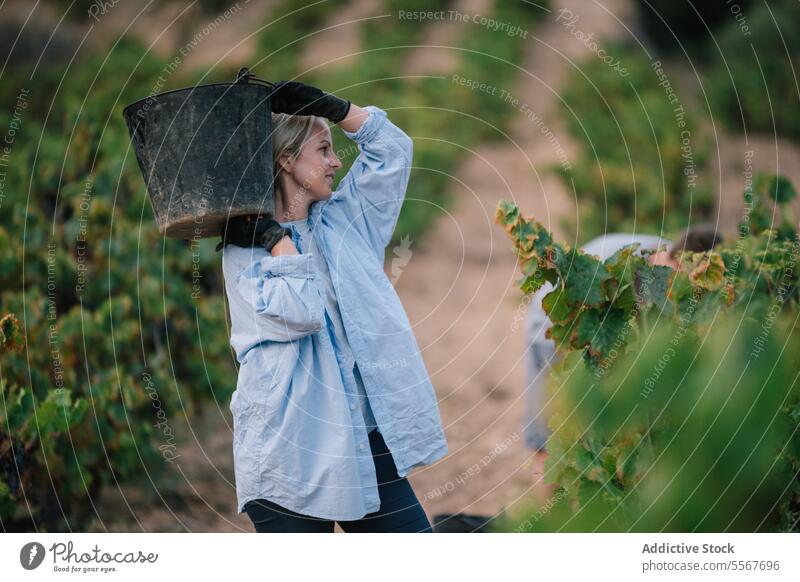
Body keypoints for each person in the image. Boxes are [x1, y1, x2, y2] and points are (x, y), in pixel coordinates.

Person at [217, 81, 447, 532]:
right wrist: (278, 240)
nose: (336, 161)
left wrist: (337, 110)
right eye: (324, 149)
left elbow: (393, 150)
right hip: (291, 453)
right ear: (285, 160)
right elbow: (300, 313)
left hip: (363, 438)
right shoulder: (243, 252)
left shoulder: (347, 219)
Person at [522, 226, 724, 454]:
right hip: (553, 327)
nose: (680, 292)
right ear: (680, 263)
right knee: (550, 443)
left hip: (585, 332)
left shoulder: (666, 254)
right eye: (683, 281)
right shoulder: (625, 269)